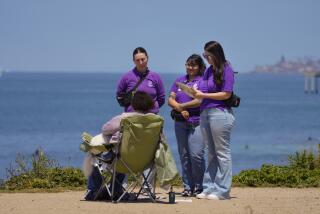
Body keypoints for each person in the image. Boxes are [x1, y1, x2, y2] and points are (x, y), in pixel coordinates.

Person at [83, 91, 155, 201]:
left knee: (97, 153)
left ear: (133, 104)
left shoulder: (125, 118)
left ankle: (93, 191)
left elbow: (105, 129)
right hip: (145, 161)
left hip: (122, 159)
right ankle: (116, 191)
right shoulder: (155, 121)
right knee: (121, 156)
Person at [194, 41, 236, 200]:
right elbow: (203, 89)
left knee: (222, 152)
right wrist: (194, 91)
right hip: (205, 112)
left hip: (220, 113)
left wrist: (203, 95)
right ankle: (209, 187)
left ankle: (223, 190)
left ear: (216, 54)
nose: (206, 59)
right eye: (205, 55)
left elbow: (226, 93)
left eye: (208, 55)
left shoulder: (227, 69)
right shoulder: (208, 71)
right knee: (210, 152)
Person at [168, 54, 206, 197]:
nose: (190, 67)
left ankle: (200, 186)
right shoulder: (179, 81)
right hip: (180, 123)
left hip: (197, 122)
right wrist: (180, 109)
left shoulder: (202, 81)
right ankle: (187, 186)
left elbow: (199, 100)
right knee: (184, 156)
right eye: (188, 64)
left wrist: (182, 106)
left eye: (193, 65)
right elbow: (170, 99)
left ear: (199, 67)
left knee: (196, 155)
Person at [116, 47, 165, 114]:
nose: (141, 62)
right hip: (132, 117)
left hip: (151, 118)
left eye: (143, 59)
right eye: (137, 60)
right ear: (133, 61)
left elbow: (161, 98)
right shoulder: (126, 77)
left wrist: (152, 109)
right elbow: (119, 96)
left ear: (147, 58)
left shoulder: (155, 77)